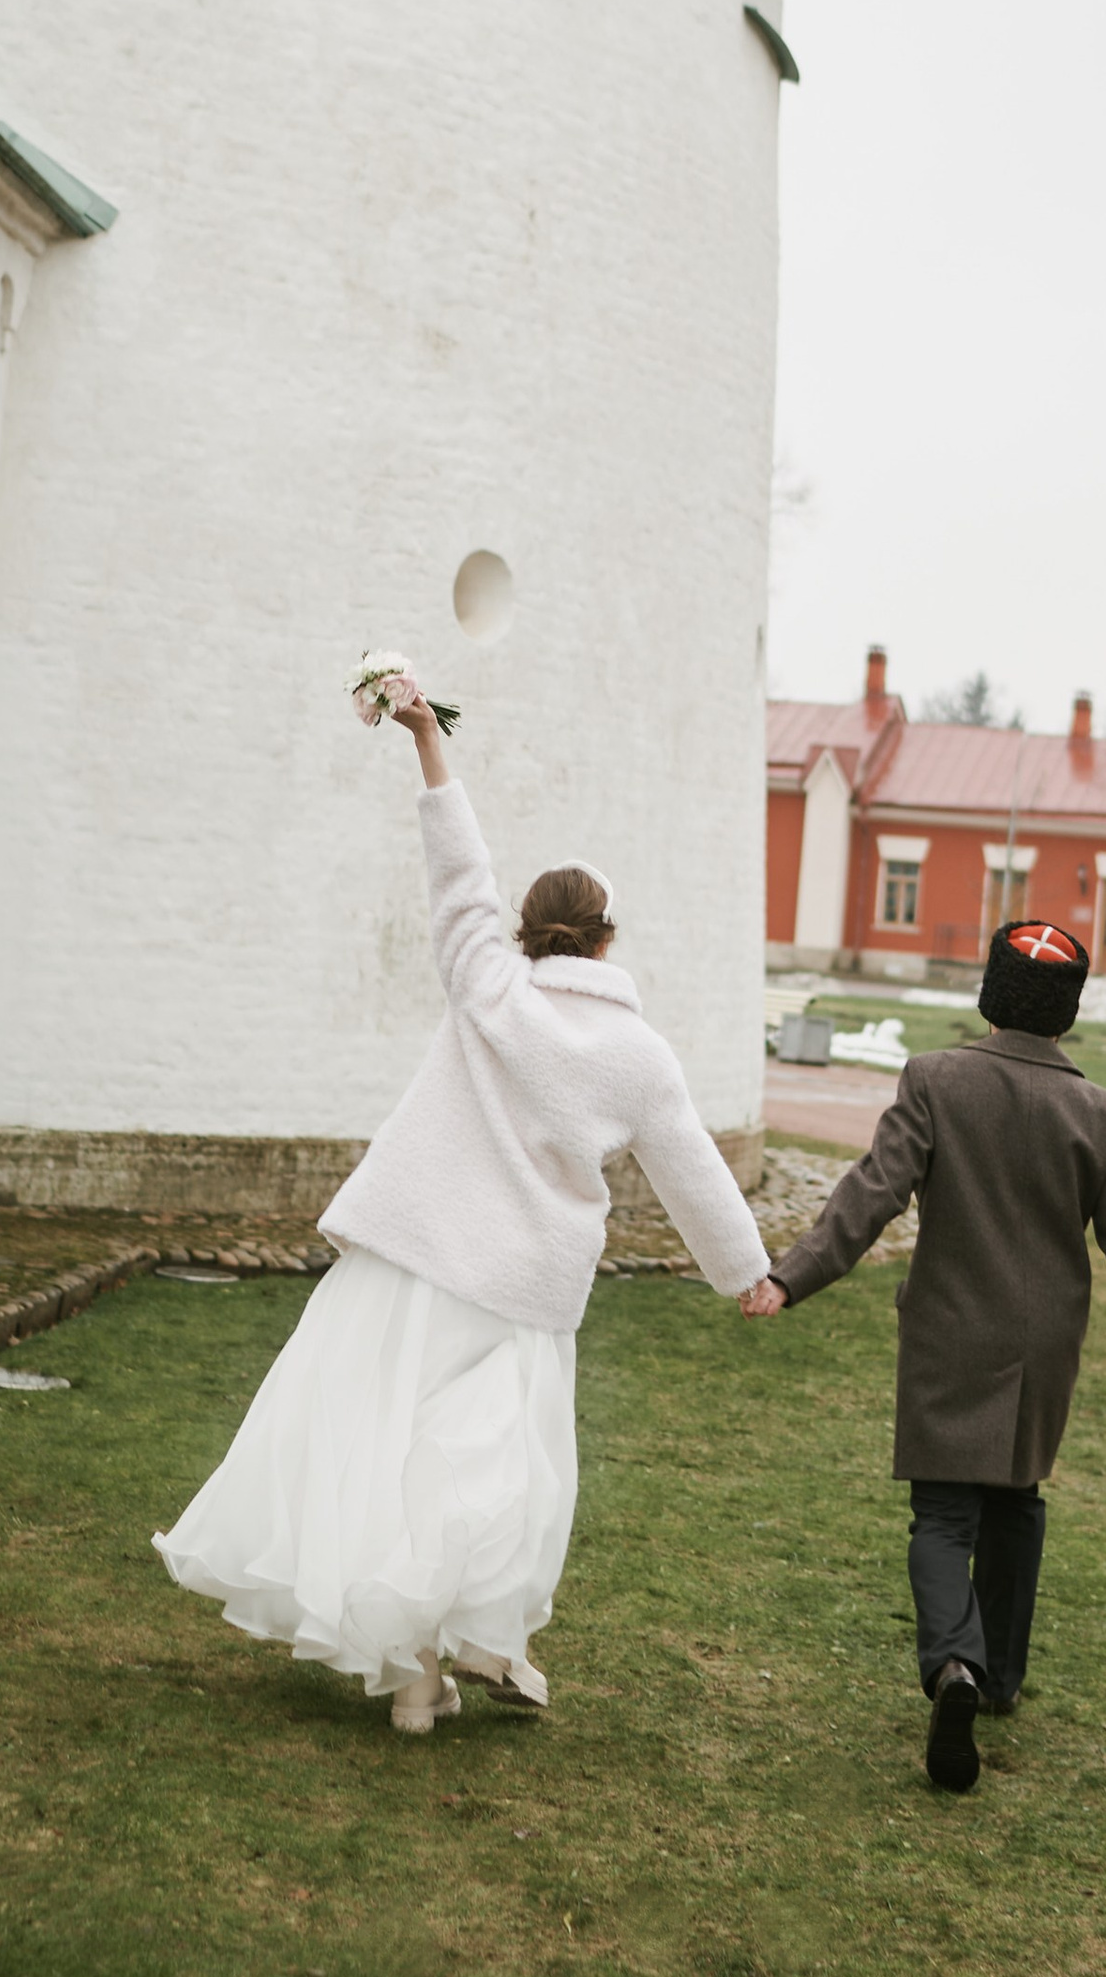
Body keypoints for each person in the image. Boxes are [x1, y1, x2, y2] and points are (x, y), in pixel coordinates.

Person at [156, 672, 779, 1730]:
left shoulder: (487, 983)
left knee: (388, 1456)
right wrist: (748, 1273)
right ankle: (463, 1652)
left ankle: (422, 1672)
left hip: (412, 1264)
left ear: (531, 930)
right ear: (608, 940)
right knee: (492, 1477)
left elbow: (459, 870)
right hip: (521, 1293)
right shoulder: (636, 1053)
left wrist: (425, 742)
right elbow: (693, 1174)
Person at [743, 914, 1106, 1792]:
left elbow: (868, 1197)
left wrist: (790, 1278)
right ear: (1064, 1016)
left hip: (948, 1335)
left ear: (991, 997)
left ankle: (954, 1663)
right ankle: (998, 1677)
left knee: (943, 1517)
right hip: (1043, 1352)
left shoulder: (933, 1081)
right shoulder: (1103, 1117)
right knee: (1016, 1507)